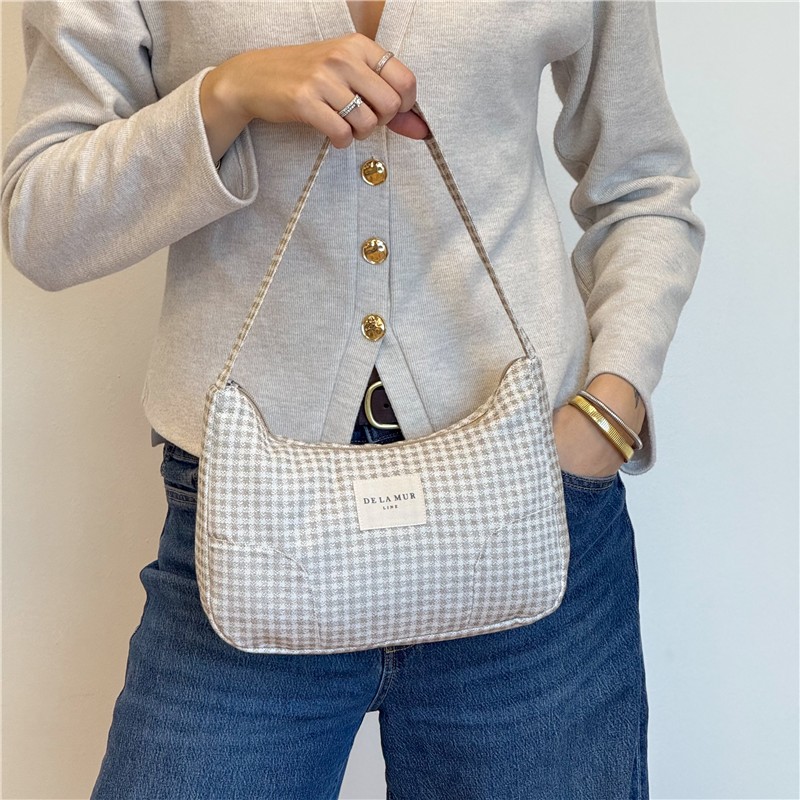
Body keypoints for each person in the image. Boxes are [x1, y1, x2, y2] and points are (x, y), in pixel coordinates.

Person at [1, 1, 705, 797]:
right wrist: (227, 93)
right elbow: (42, 223)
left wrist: (609, 410)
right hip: (245, 531)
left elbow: (643, 183)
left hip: (534, 506)